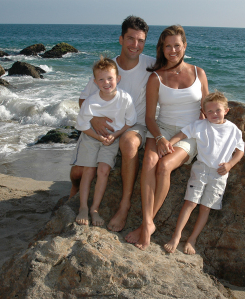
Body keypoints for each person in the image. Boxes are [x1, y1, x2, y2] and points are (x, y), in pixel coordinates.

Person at [125, 25, 209, 250]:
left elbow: (208, 109)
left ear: (185, 46)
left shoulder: (199, 73)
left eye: (177, 46)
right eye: (168, 46)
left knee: (164, 166)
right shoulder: (155, 77)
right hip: (161, 129)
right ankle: (149, 223)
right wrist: (160, 138)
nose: (173, 50)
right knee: (150, 162)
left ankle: (146, 225)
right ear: (161, 48)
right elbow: (150, 117)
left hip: (189, 133)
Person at [69, 16, 155, 232]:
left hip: (132, 124)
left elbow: (175, 69)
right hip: (99, 126)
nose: (135, 45)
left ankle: (124, 205)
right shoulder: (108, 69)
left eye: (141, 40)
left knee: (127, 143)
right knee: (79, 172)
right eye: (130, 38)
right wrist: (95, 119)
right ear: (121, 39)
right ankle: (75, 190)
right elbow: (83, 99)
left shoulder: (151, 65)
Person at [164, 91, 245, 255]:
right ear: (204, 112)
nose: (214, 114)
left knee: (206, 208)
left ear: (226, 110)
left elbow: (240, 150)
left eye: (218, 110)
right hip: (201, 169)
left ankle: (192, 238)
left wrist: (230, 165)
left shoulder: (233, 130)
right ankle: (176, 236)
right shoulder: (200, 125)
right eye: (209, 111)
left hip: (220, 174)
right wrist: (169, 143)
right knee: (190, 203)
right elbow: (182, 133)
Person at [71, 56, 137, 226]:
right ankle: (83, 207)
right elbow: (82, 125)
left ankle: (95, 208)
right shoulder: (91, 101)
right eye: (101, 79)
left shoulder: (125, 98)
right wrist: (98, 137)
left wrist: (115, 136)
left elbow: (130, 121)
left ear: (118, 79)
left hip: (113, 138)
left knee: (103, 170)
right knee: (88, 171)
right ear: (95, 81)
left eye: (110, 78)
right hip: (91, 137)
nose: (106, 82)